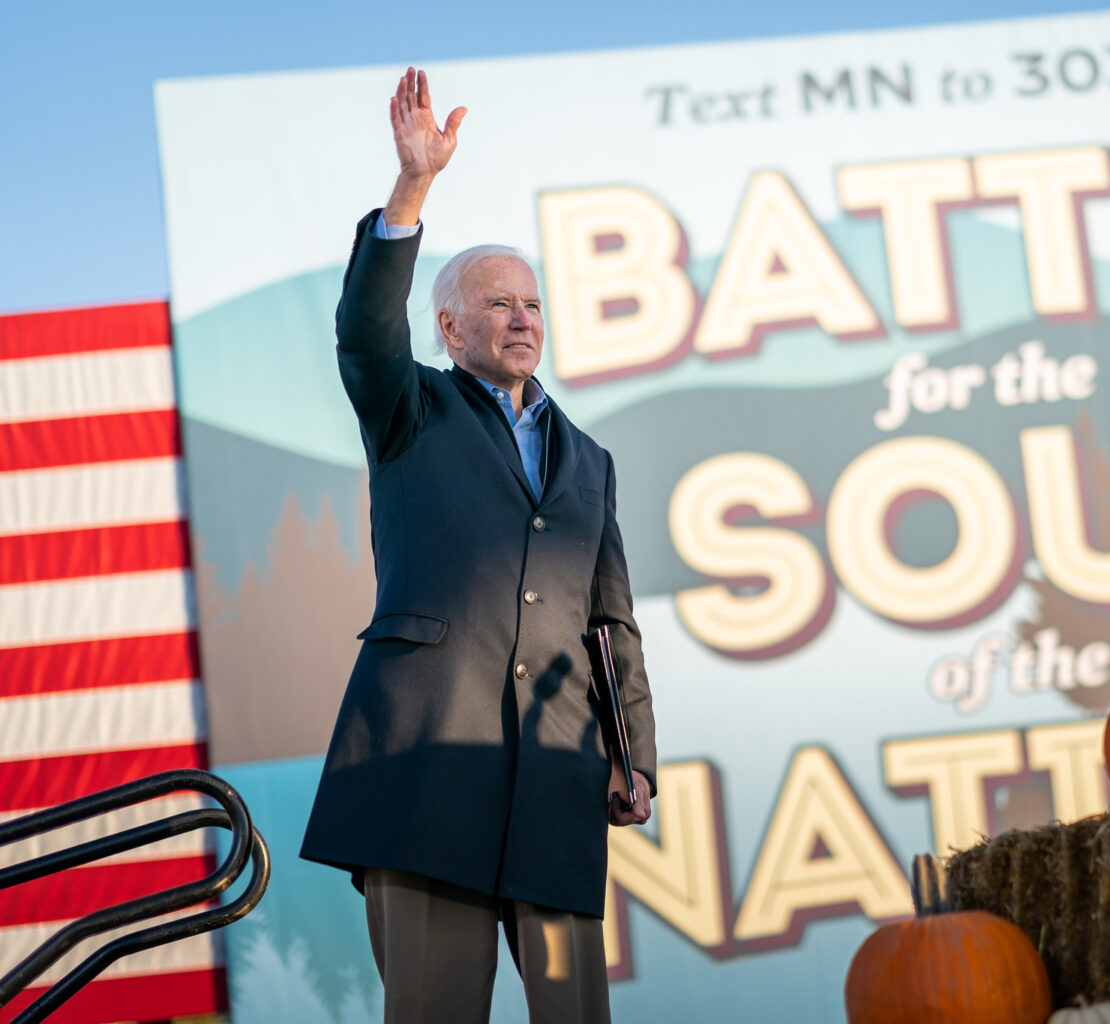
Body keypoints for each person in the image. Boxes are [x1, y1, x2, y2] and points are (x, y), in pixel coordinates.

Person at [299, 67, 657, 1024]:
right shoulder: (409, 409)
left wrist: (633, 755)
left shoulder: (590, 462)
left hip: (558, 783)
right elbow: (364, 330)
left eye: (532, 305)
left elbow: (612, 626)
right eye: (499, 304)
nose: (521, 318)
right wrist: (413, 184)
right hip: (425, 776)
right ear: (450, 327)